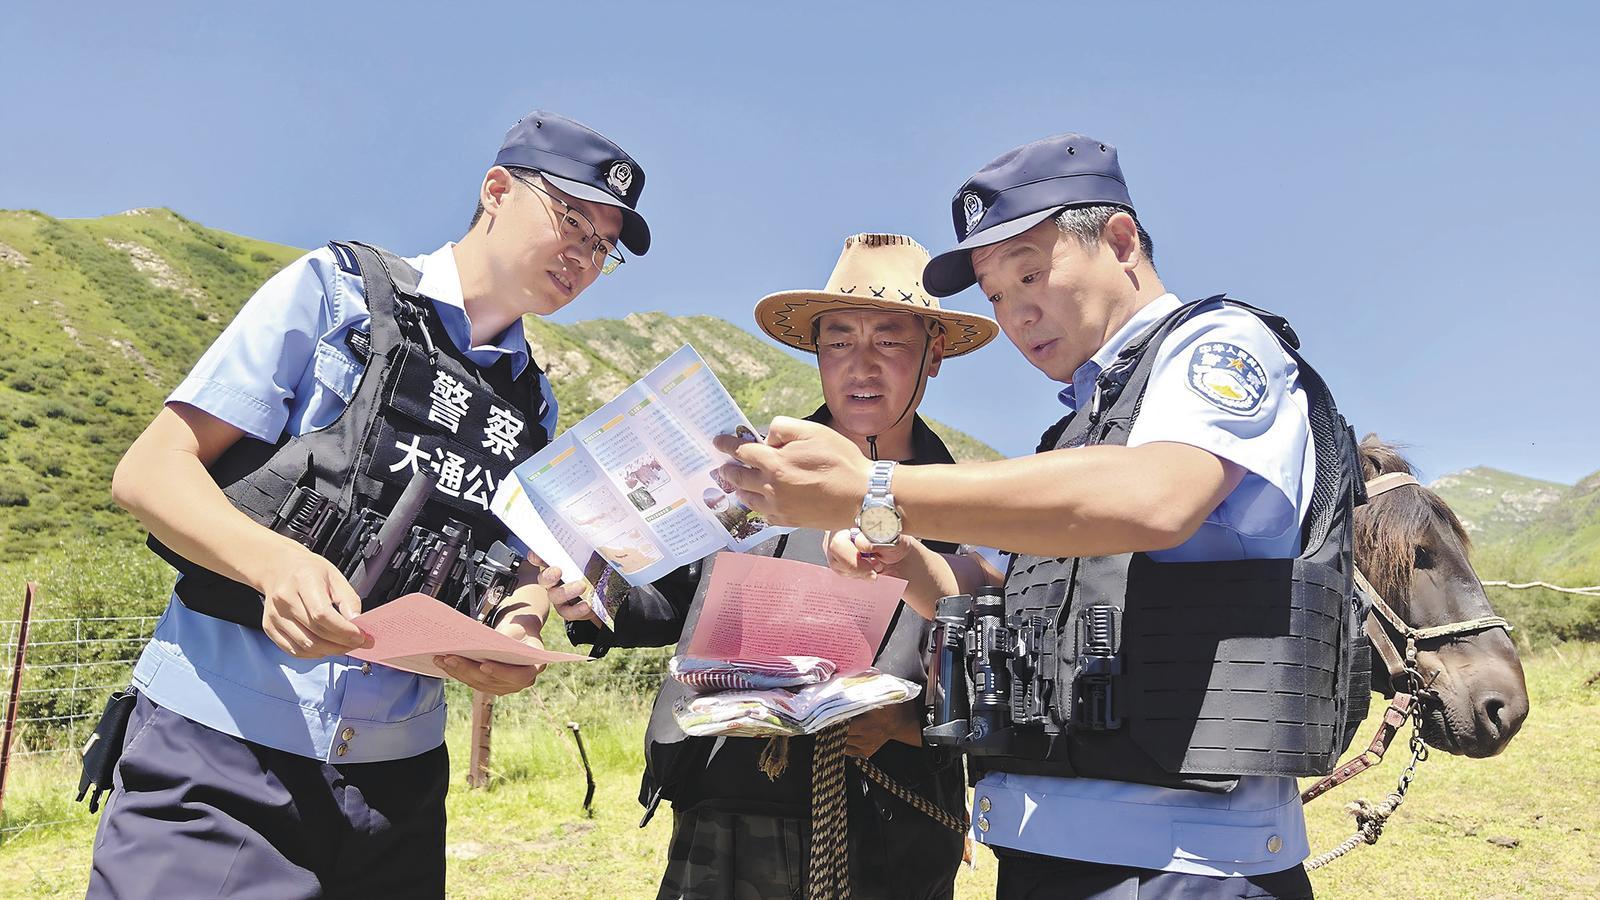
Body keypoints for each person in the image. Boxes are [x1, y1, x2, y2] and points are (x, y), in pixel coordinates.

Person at [714, 134, 1368, 900]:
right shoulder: (1074, 429)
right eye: (995, 295)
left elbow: (1157, 499)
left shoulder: (1216, 346)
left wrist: (873, 487)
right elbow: (988, 591)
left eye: (1030, 273)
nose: (1018, 313)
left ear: (1120, 241)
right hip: (1038, 855)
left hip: (1183, 865)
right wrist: (902, 558)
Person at [88, 110, 651, 899]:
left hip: (399, 791)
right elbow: (150, 472)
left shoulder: (533, 403)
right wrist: (273, 564)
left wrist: (518, 633)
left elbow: (520, 562)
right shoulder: (337, 291)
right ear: (496, 191)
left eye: (603, 247)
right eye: (572, 220)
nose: (584, 256)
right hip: (222, 750)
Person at [558, 233, 1001, 899]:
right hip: (724, 808)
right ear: (817, 353)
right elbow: (671, 601)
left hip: (885, 827)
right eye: (839, 342)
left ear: (932, 353)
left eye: (888, 341)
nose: (861, 365)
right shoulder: (750, 474)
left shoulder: (970, 510)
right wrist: (593, 593)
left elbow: (1000, 673)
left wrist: (907, 726)